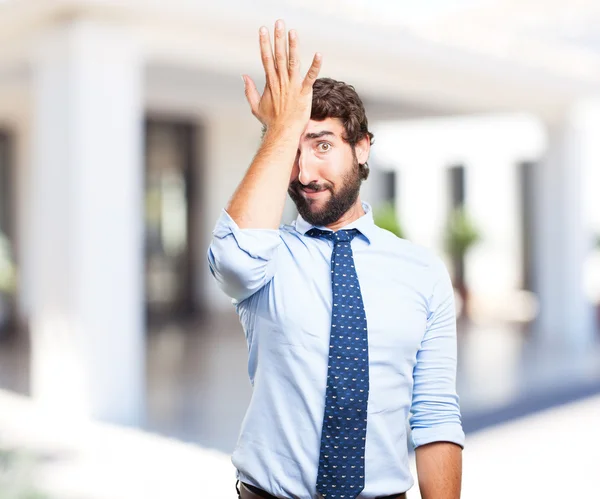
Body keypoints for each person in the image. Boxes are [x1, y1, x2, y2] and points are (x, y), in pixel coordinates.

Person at [208, 20, 464, 499]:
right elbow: (234, 260)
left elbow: (434, 415)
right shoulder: (267, 257)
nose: (304, 171)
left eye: (322, 145)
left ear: (362, 149)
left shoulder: (422, 272)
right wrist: (278, 131)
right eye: (293, 150)